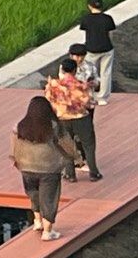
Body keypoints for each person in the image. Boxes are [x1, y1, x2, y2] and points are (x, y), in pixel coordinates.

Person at [12, 95, 80, 240]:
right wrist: (76, 156)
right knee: (49, 198)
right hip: (49, 168)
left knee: (34, 194)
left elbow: (15, 146)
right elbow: (66, 143)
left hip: (26, 167)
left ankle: (37, 221)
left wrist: (17, 160)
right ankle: (48, 231)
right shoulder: (53, 126)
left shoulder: (20, 126)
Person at [44, 54, 102, 182]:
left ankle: (70, 174)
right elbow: (88, 102)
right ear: (75, 70)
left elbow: (48, 100)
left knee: (66, 146)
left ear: (62, 70)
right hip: (81, 118)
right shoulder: (80, 85)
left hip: (62, 119)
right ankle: (94, 173)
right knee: (88, 145)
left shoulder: (53, 85)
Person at [81, 0, 118, 102]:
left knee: (90, 73)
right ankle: (103, 98)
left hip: (91, 49)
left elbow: (86, 33)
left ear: (89, 6)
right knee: (106, 73)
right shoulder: (108, 18)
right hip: (107, 48)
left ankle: (90, 96)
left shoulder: (86, 19)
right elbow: (111, 34)